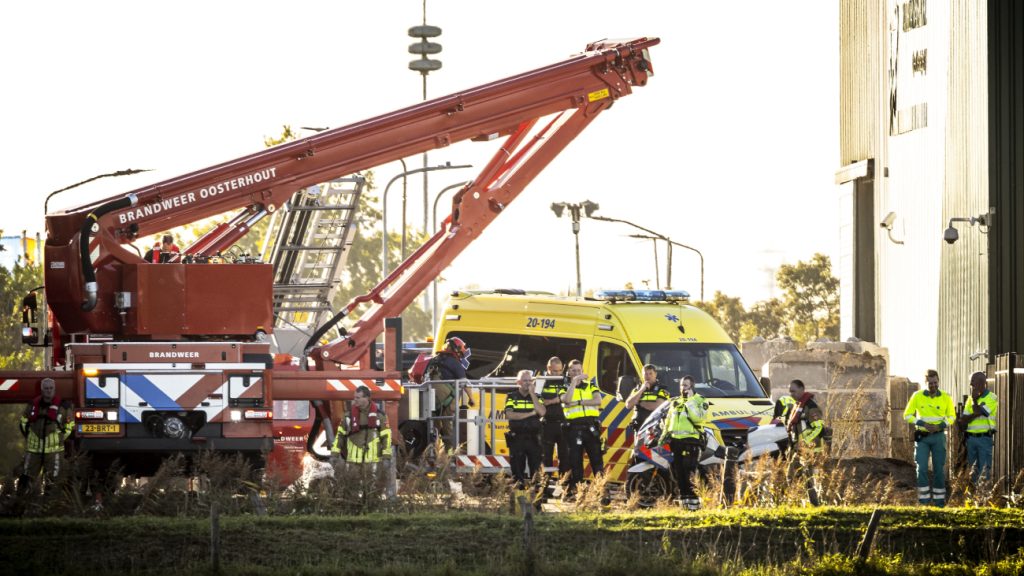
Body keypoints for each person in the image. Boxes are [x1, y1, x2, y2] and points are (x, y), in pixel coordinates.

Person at [903, 369, 955, 506]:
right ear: (925, 383)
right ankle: (924, 501)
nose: (933, 385)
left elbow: (952, 416)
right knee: (921, 468)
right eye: (930, 383)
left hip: (938, 437)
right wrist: (921, 423)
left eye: (935, 382)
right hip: (922, 437)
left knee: (939, 470)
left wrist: (940, 425)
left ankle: (939, 502)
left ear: (938, 381)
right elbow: (907, 415)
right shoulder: (917, 396)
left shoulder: (946, 397)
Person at [18, 378, 74, 494]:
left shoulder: (64, 406)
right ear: (41, 390)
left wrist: (59, 438)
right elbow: (23, 423)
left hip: (54, 451)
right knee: (26, 478)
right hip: (33, 450)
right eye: (46, 388)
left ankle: (50, 503)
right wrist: (30, 436)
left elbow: (70, 426)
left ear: (54, 389)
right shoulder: (32, 405)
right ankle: (22, 502)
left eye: (51, 388)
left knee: (53, 481)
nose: (49, 390)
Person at [660, 376, 708, 510]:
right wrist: (663, 437)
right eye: (681, 385)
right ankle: (684, 505)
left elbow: (698, 418)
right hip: (676, 442)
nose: (683, 388)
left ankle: (694, 506)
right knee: (679, 473)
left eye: (686, 385)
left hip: (691, 441)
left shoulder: (700, 400)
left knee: (689, 473)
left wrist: (690, 400)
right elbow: (668, 421)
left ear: (692, 387)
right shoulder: (675, 401)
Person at [560, 359, 604, 498]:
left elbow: (598, 400)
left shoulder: (590, 385)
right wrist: (573, 383)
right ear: (569, 372)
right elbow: (566, 400)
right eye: (573, 370)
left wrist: (578, 402)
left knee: (597, 461)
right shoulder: (564, 387)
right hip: (573, 429)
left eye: (579, 370)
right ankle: (579, 493)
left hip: (590, 428)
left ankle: (601, 493)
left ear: (582, 371)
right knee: (576, 463)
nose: (576, 373)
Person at [331, 385, 392, 466]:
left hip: (373, 463)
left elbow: (386, 437)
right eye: (354, 397)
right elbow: (340, 436)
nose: (355, 400)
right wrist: (334, 455)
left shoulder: (380, 416)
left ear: (366, 398)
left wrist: (386, 458)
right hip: (353, 463)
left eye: (358, 397)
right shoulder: (348, 416)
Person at [504, 369, 545, 489]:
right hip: (517, 437)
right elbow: (510, 415)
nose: (528, 383)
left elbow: (542, 412)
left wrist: (532, 394)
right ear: (518, 382)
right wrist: (531, 413)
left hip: (534, 438)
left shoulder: (537, 396)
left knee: (536, 471)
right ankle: (519, 495)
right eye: (525, 380)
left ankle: (536, 496)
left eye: (530, 380)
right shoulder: (511, 396)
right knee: (517, 471)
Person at [958, 371, 998, 484]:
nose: (971, 385)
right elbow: (963, 419)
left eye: (973, 382)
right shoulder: (970, 399)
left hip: (984, 438)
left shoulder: (992, 397)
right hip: (971, 439)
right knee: (971, 470)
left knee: (984, 469)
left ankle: (982, 493)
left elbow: (982, 412)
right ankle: (972, 493)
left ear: (981, 382)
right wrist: (976, 412)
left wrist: (975, 403)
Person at [539, 356, 570, 477]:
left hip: (564, 423)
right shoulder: (541, 382)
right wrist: (558, 399)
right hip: (547, 424)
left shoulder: (565, 381)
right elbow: (538, 402)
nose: (558, 374)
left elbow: (567, 398)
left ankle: (564, 484)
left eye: (560, 370)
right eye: (555, 371)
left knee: (565, 457)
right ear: (548, 368)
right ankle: (544, 483)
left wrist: (551, 401)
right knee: (546, 457)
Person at [624, 364, 671, 435]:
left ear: (655, 374)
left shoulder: (662, 389)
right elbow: (628, 405)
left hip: (655, 428)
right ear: (642, 375)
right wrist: (641, 390)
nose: (648, 376)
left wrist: (640, 403)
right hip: (639, 427)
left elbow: (658, 406)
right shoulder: (637, 389)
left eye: (650, 373)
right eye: (645, 374)